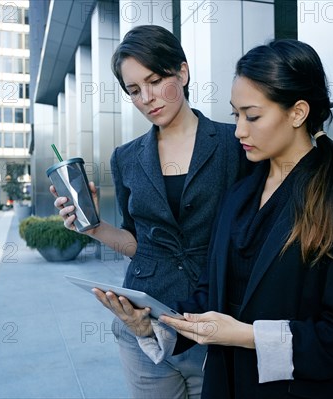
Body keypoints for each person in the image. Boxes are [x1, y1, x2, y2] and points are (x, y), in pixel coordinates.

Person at [95, 39, 333, 398]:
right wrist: (153, 327)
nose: (239, 131)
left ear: (297, 113)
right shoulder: (238, 194)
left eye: (252, 116)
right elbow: (209, 292)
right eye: (236, 115)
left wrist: (246, 335)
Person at [52, 25, 250, 398]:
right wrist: (92, 226)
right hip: (142, 327)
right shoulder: (125, 158)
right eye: (134, 90)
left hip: (214, 324)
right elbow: (139, 244)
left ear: (183, 73)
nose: (147, 98)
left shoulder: (233, 143)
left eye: (156, 81)